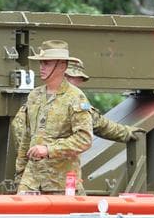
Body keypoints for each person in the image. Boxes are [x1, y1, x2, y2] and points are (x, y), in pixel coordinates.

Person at [12, 40, 94, 194]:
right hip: (31, 183)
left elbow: (84, 139)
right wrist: (20, 174)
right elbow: (27, 138)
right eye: (41, 63)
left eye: (47, 63)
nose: (41, 68)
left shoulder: (76, 98)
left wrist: (49, 150)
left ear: (62, 66)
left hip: (61, 184)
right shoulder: (34, 96)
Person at [64, 60, 145, 143]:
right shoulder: (71, 97)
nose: (79, 82)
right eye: (76, 78)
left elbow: (96, 122)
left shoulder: (74, 98)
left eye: (80, 79)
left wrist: (125, 132)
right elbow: (97, 124)